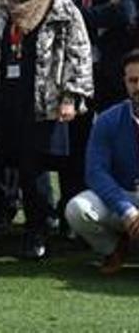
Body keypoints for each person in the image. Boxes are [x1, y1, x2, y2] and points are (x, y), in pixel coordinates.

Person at [0, 0, 93, 259]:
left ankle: (44, 229)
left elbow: (80, 55)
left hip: (48, 102)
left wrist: (72, 97)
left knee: (41, 167)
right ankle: (27, 226)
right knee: (20, 167)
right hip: (11, 99)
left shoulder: (62, 7)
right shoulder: (6, 7)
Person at [65, 49, 139, 274]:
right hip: (123, 199)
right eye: (133, 80)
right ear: (125, 83)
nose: (138, 86)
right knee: (77, 209)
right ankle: (114, 249)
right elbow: (96, 172)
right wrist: (126, 210)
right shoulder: (108, 119)